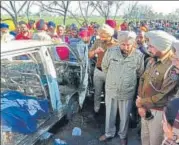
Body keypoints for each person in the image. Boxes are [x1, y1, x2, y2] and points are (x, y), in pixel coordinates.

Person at [100, 31, 144, 145]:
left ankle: (123, 136)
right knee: (109, 114)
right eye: (123, 44)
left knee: (125, 116)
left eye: (128, 44)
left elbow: (140, 73)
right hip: (111, 89)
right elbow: (104, 67)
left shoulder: (138, 55)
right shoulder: (111, 52)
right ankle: (109, 133)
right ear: (119, 43)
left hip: (127, 91)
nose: (125, 47)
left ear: (133, 43)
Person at [136, 30, 178, 145]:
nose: (148, 49)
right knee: (145, 139)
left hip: (159, 112)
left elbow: (163, 94)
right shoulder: (151, 60)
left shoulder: (173, 67)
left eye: (151, 46)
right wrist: (141, 104)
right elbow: (142, 79)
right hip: (144, 108)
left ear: (162, 47)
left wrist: (141, 102)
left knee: (155, 141)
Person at [88, 24, 118, 115]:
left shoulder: (116, 44)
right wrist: (95, 51)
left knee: (109, 93)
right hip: (98, 71)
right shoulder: (97, 42)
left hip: (111, 73)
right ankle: (96, 109)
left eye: (102, 35)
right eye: (99, 35)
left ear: (109, 35)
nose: (100, 37)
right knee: (97, 91)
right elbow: (89, 55)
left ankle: (108, 110)